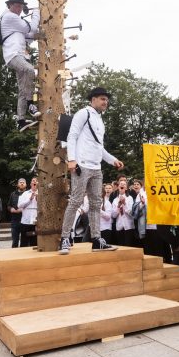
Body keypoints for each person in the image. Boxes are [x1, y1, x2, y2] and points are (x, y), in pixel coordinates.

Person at [59, 87, 124, 254]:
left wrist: (112, 160)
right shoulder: (84, 113)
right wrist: (72, 159)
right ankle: (65, 238)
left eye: (107, 100)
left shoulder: (100, 121)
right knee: (75, 201)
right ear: (93, 99)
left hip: (96, 168)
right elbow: (71, 136)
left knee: (96, 204)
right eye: (102, 99)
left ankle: (96, 240)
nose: (105, 102)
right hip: (82, 165)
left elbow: (99, 148)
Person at [0, 0, 41, 130]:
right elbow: (32, 28)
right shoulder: (9, 16)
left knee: (22, 91)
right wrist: (36, 13)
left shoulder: (14, 22)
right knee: (29, 70)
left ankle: (21, 120)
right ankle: (31, 104)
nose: (19, 9)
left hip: (18, 56)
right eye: (17, 6)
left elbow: (28, 36)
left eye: (21, 6)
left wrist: (37, 35)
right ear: (10, 5)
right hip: (13, 56)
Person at [111, 180, 135, 246]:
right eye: (120, 184)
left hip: (128, 226)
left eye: (124, 184)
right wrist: (118, 206)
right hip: (119, 226)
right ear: (118, 187)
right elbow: (113, 215)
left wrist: (124, 203)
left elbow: (131, 213)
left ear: (126, 188)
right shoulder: (115, 200)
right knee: (121, 246)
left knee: (129, 246)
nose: (122, 185)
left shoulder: (130, 198)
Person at [17, 177, 38, 247]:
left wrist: (38, 198)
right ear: (30, 183)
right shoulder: (25, 194)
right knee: (24, 243)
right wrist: (30, 199)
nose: (34, 182)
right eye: (33, 181)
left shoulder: (42, 193)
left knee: (35, 243)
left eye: (36, 181)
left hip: (37, 222)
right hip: (25, 222)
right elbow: (19, 205)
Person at [7, 178, 26, 247]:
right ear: (18, 184)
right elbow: (8, 205)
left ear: (26, 184)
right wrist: (11, 209)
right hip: (15, 221)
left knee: (24, 242)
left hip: (25, 221)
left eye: (23, 182)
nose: (22, 183)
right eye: (20, 182)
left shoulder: (28, 194)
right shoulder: (13, 194)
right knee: (15, 241)